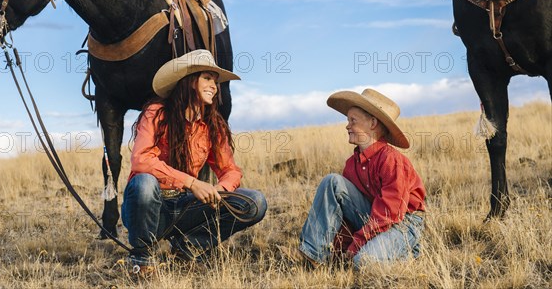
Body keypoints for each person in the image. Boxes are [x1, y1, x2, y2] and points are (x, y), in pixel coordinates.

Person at [121, 49, 267, 273]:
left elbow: (231, 170)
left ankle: (188, 246)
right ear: (189, 82)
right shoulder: (156, 112)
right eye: (207, 78)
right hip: (149, 208)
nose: (214, 86)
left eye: (215, 81)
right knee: (144, 183)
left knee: (254, 202)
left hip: (184, 207)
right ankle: (142, 258)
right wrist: (192, 183)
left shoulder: (212, 125)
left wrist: (218, 190)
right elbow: (141, 160)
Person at [298, 89, 426, 269]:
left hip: (402, 223)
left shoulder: (392, 160)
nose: (347, 126)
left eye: (353, 120)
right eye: (347, 120)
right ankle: (313, 256)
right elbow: (344, 215)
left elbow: (390, 213)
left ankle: (409, 252)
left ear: (372, 123)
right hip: (373, 218)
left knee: (363, 262)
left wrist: (356, 245)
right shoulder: (351, 164)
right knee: (332, 181)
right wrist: (339, 248)